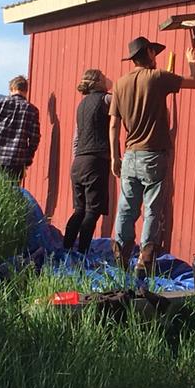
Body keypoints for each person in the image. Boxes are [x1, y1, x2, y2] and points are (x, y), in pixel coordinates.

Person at [109, 36, 195, 276]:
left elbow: (113, 125)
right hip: (154, 155)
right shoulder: (158, 77)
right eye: (154, 53)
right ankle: (145, 262)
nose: (156, 57)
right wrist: (192, 61)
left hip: (129, 156)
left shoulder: (120, 84)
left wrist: (114, 157)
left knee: (126, 209)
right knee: (152, 209)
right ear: (149, 52)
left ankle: (121, 260)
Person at [63, 69, 112, 254]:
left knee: (79, 209)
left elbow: (76, 139)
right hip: (95, 159)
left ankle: (67, 249)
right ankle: (82, 253)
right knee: (92, 210)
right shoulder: (106, 99)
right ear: (99, 81)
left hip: (78, 163)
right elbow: (124, 104)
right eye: (104, 76)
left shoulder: (81, 105)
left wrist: (77, 159)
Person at [0, 75, 41, 182]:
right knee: (11, 194)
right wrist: (27, 160)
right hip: (16, 161)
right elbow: (34, 139)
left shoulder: (0, 104)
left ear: (11, 89)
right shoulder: (32, 110)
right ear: (26, 90)